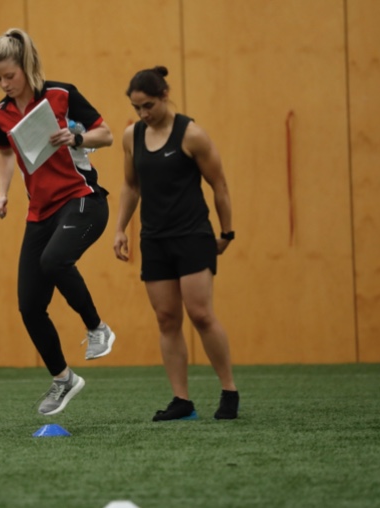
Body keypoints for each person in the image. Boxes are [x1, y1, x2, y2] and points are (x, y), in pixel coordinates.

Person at [0, 28, 116, 416]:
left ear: (26, 66)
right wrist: (3, 193)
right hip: (39, 211)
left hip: (82, 199)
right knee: (29, 306)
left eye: (9, 75)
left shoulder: (61, 94)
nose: (4, 84)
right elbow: (5, 153)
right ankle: (63, 379)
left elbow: (105, 135)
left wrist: (75, 138)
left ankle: (97, 328)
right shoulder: (1, 113)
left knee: (54, 262)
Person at [113, 66, 239, 420]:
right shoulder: (131, 136)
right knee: (167, 319)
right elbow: (131, 186)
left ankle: (229, 390)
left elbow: (220, 186)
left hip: (192, 235)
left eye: (149, 105)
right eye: (138, 108)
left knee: (200, 314)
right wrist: (120, 228)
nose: (143, 114)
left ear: (165, 95)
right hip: (154, 239)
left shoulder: (192, 135)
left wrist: (226, 233)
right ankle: (181, 401)